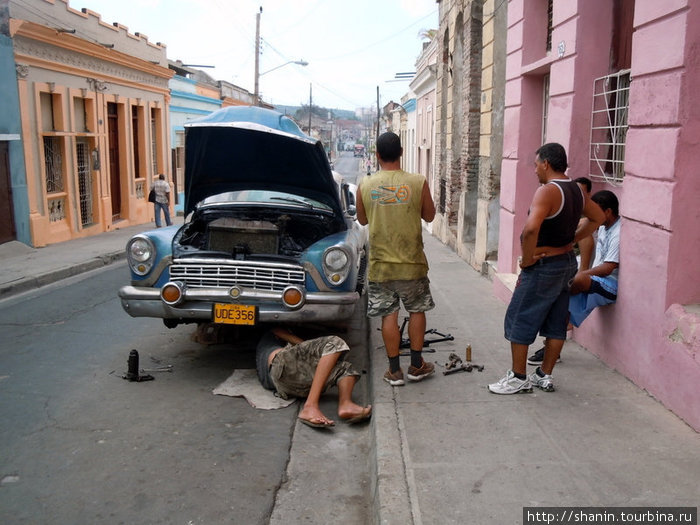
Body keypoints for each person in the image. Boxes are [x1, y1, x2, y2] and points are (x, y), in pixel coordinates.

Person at [488, 143, 604, 395]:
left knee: (520, 317)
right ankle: (544, 374)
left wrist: (527, 259)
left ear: (547, 164)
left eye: (536, 164)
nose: (534, 170)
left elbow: (531, 229)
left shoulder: (548, 191)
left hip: (544, 266)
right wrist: (571, 241)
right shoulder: (576, 190)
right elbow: (598, 218)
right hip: (565, 264)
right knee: (556, 320)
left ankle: (518, 377)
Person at [356, 131, 436, 387]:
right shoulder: (418, 181)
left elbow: (362, 220)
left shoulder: (365, 185)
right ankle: (416, 365)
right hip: (412, 262)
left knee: (388, 315)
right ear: (401, 153)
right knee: (417, 310)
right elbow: (430, 216)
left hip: (381, 265)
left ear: (377, 155)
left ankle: (394, 371)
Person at [526, 175, 594, 366]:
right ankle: (548, 360)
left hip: (563, 267)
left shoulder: (581, 222)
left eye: (579, 193)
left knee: (545, 313)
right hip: (560, 264)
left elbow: (531, 230)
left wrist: (527, 258)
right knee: (554, 313)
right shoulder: (565, 214)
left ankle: (533, 364)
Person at [255, 328, 372, 429]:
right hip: (279, 366)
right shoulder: (273, 333)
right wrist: (317, 350)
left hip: (284, 386)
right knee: (334, 343)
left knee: (344, 368)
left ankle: (346, 404)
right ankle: (310, 406)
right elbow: (301, 345)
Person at [567, 190, 620, 327]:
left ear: (608, 212)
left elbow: (608, 268)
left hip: (610, 283)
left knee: (577, 280)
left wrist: (583, 273)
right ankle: (565, 318)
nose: (593, 216)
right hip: (597, 279)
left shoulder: (618, 231)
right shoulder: (602, 226)